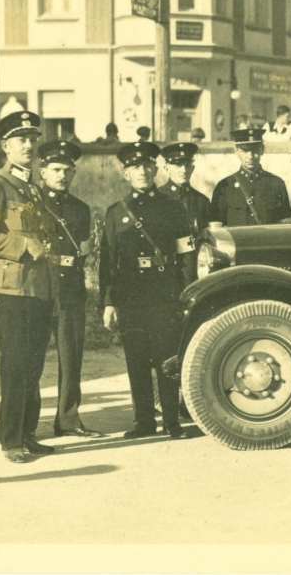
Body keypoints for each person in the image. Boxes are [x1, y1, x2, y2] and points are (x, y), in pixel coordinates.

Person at [0, 110, 58, 463]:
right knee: (16, 363)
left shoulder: (32, 186)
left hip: (37, 288)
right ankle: (10, 441)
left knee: (33, 365)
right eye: (21, 139)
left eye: (33, 138)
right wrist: (22, 246)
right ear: (6, 146)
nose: (29, 145)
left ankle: (26, 432)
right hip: (8, 290)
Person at [99, 142, 197, 439]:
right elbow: (107, 261)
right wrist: (108, 302)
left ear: (155, 169)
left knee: (167, 358)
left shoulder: (173, 207)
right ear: (125, 172)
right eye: (134, 167)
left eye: (146, 166)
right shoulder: (116, 212)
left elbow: (187, 256)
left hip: (163, 292)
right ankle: (144, 421)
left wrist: (188, 294)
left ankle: (172, 421)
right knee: (136, 357)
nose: (141, 172)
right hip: (130, 295)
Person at [36, 140, 104, 439]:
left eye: (67, 170)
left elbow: (84, 252)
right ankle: (24, 426)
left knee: (71, 357)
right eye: (55, 169)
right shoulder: (34, 204)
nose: (61, 175)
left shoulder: (81, 209)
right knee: (31, 360)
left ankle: (68, 419)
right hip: (38, 289)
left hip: (71, 289)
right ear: (43, 172)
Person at [209, 128, 291, 226]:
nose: (251, 156)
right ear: (236, 152)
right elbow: (216, 225)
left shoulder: (276, 184)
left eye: (255, 150)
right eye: (244, 151)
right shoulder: (225, 186)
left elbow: (286, 224)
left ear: (262, 150)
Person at [159, 142, 211, 234]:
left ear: (192, 168)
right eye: (178, 166)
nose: (184, 170)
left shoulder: (202, 201)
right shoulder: (157, 198)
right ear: (166, 169)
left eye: (187, 165)